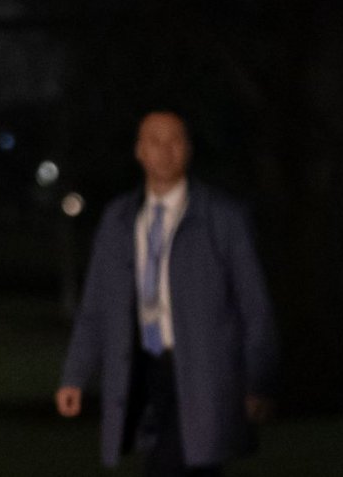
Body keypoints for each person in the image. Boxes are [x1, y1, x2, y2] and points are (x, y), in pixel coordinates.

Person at [55, 110, 278, 476]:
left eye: (175, 141)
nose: (165, 151)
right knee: (169, 462)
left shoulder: (221, 217)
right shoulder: (119, 219)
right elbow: (95, 306)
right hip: (141, 368)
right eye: (155, 142)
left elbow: (255, 306)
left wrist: (258, 381)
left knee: (185, 462)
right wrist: (75, 376)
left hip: (202, 371)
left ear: (188, 150)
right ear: (140, 151)